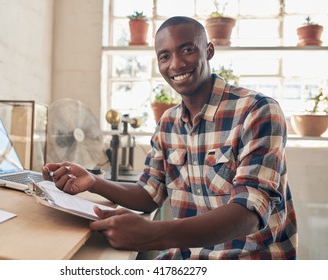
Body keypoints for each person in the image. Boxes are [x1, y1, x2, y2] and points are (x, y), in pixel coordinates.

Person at [43, 16, 297, 260]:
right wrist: (94, 182)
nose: (175, 64)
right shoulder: (168, 123)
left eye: (187, 50)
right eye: (165, 56)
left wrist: (153, 235)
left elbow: (249, 213)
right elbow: (148, 194)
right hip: (189, 258)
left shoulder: (257, 110)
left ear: (208, 51)